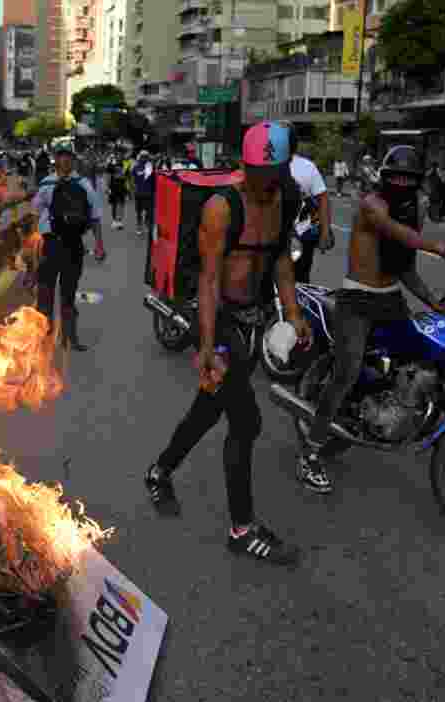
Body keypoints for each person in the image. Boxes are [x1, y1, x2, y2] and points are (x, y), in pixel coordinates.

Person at [144, 121, 309, 566]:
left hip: (253, 319)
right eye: (256, 175)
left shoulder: (285, 199)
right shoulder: (223, 207)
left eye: (272, 176)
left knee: (208, 408)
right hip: (219, 318)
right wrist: (207, 345)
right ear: (245, 166)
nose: (264, 184)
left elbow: (279, 262)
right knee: (247, 420)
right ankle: (242, 528)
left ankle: (159, 472)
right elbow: (209, 278)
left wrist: (293, 313)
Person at [296, 145, 445, 494]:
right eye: (396, 177)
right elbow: (397, 233)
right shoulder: (372, 205)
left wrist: (435, 304)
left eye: (409, 179)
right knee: (345, 374)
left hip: (389, 300)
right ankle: (310, 454)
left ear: (417, 181)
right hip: (356, 301)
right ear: (385, 178)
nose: (402, 183)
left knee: (437, 361)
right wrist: (441, 248)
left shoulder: (413, 209)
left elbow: (404, 267)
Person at [31, 143, 105, 351]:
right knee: (45, 293)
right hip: (50, 244)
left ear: (73, 159)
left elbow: (95, 216)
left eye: (68, 156)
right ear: (55, 159)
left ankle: (70, 337)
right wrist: (32, 247)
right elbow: (35, 215)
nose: (64, 160)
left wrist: (99, 244)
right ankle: (44, 338)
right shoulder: (46, 184)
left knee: (68, 294)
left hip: (73, 245)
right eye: (61, 156)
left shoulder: (83, 184)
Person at [284, 125, 333, 283]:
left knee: (300, 280)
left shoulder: (307, 167)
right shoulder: (265, 165)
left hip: (302, 236)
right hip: (270, 236)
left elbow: (323, 198)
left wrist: (325, 232)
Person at [132, 150, 155, 238]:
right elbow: (133, 179)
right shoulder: (136, 167)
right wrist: (133, 189)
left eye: (146, 156)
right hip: (139, 193)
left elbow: (154, 180)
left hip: (149, 193)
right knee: (139, 211)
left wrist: (154, 191)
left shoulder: (151, 167)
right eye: (143, 156)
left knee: (149, 211)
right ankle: (139, 226)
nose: (144, 158)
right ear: (140, 157)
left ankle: (148, 225)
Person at [106, 157, 129, 230]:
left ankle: (120, 221)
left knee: (121, 204)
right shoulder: (111, 165)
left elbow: (126, 177)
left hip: (122, 187)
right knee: (114, 204)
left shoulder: (124, 164)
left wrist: (128, 189)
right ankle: (114, 221)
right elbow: (108, 177)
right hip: (113, 187)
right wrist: (107, 187)